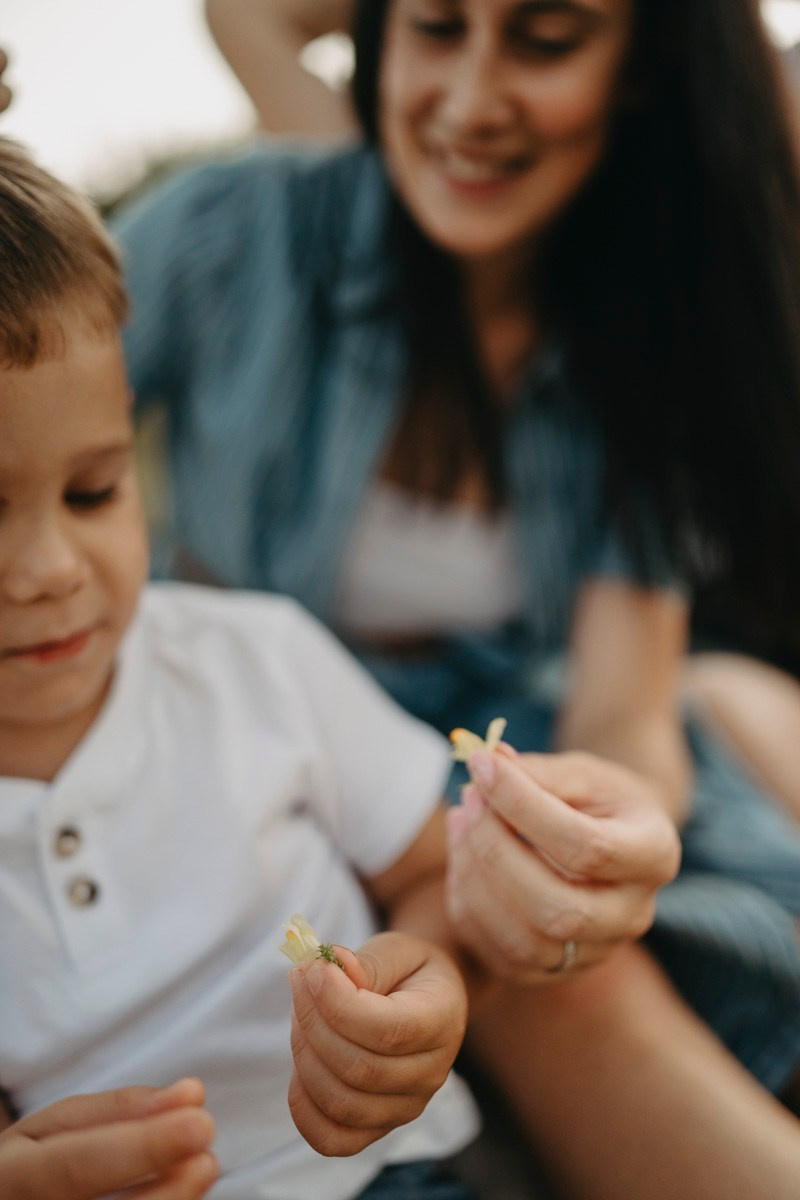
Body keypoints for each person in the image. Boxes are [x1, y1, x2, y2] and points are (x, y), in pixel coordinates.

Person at [111, 0, 800, 1195]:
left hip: (516, 761)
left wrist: (611, 821)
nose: (470, 100)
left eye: (543, 40)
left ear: (639, 72)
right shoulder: (237, 231)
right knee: (524, 956)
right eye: (434, 28)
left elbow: (624, 707)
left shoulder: (643, 327)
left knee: (598, 853)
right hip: (304, 768)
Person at [0, 135, 495, 1200]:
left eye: (93, 492)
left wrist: (426, 981)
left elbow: (428, 868)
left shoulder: (253, 663)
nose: (46, 571)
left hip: (383, 1176)